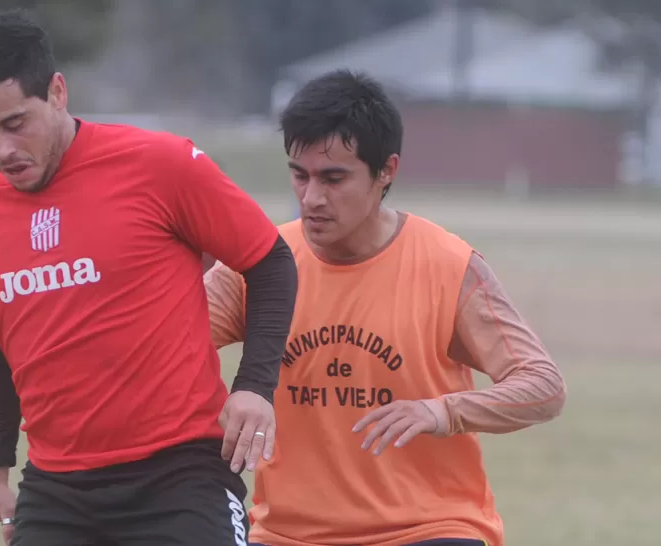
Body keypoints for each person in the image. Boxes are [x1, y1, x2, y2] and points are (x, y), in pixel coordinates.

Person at [0, 9, 298, 546]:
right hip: (56, 490)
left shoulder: (161, 166)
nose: (2, 150)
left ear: (58, 92)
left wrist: (254, 387)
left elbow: (271, 260)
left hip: (179, 477)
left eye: (15, 124)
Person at [205, 70, 567, 546]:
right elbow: (154, 346)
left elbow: (543, 386)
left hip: (430, 529)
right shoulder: (263, 264)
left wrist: (443, 411)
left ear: (386, 171)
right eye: (300, 175)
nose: (312, 198)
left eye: (334, 178)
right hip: (287, 535)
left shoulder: (448, 266)